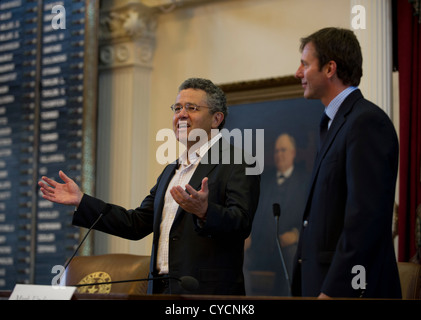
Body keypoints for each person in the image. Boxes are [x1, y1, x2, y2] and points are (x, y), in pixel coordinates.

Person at [39, 78, 260, 295]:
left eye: (191, 108)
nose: (181, 114)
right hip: (159, 289)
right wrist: (82, 201)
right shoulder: (171, 170)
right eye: (177, 108)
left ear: (216, 119)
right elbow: (135, 224)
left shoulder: (238, 162)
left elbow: (241, 223)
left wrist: (205, 212)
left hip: (205, 292)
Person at [291, 27, 401, 298]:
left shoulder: (365, 122)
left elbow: (365, 220)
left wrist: (335, 290)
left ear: (330, 68)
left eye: (305, 64)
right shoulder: (333, 123)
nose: (298, 73)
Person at [244, 133, 308, 296]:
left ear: (293, 153)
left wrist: (297, 235)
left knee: (292, 254)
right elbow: (252, 209)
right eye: (277, 151)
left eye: (283, 150)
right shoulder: (264, 180)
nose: (279, 154)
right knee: (238, 255)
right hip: (260, 247)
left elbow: (313, 217)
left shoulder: (305, 182)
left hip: (286, 250)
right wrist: (248, 234)